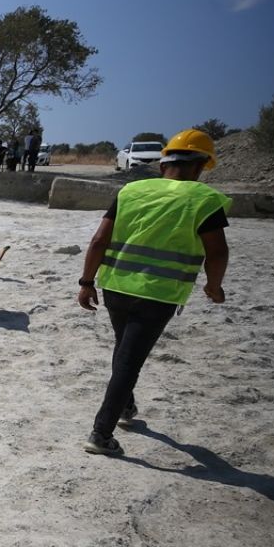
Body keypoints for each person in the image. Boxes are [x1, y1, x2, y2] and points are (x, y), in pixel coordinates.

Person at [76, 129, 231, 457]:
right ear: (200, 167)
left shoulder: (130, 191)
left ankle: (126, 406)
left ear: (163, 166)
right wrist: (214, 286)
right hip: (159, 294)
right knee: (129, 360)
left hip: (115, 286)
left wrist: (86, 282)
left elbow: (98, 241)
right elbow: (217, 252)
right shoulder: (203, 199)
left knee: (124, 349)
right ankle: (101, 433)